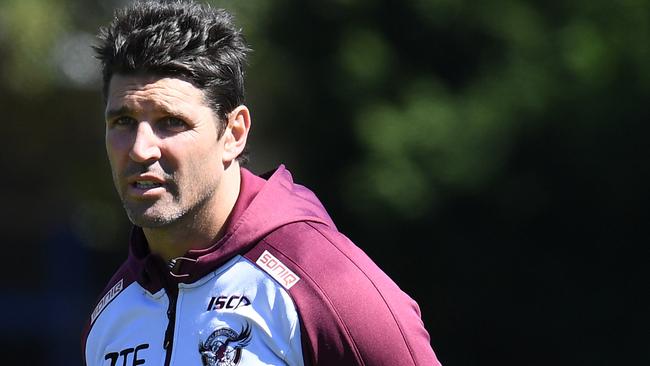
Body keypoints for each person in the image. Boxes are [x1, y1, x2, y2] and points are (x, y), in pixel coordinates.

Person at [82, 1, 441, 365]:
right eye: (123, 122)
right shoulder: (110, 317)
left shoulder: (329, 289)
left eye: (171, 122)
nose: (141, 149)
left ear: (234, 133)